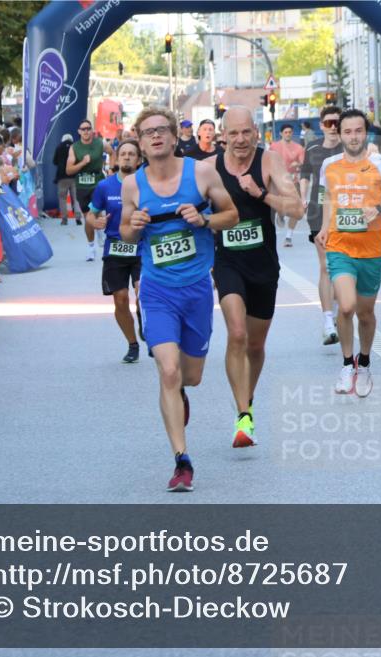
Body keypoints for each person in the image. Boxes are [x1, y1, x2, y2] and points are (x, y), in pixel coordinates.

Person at [118, 107, 239, 492]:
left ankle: (181, 391)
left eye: (161, 131)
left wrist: (204, 221)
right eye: (147, 132)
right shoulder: (132, 185)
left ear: (174, 137)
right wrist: (133, 227)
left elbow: (232, 215)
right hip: (156, 290)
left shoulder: (201, 173)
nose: (155, 137)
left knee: (191, 376)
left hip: (198, 289)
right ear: (139, 141)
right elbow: (124, 233)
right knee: (167, 371)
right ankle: (182, 461)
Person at [208, 108, 302, 448]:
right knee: (236, 332)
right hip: (227, 262)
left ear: (256, 133)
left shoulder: (269, 162)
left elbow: (296, 208)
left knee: (255, 344)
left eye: (246, 132)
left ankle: (248, 399)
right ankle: (243, 414)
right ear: (223, 135)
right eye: (233, 133)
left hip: (263, 265)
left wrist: (261, 194)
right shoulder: (210, 168)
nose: (240, 140)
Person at [316, 108, 381, 396]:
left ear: (366, 133)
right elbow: (327, 196)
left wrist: (378, 208)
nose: (353, 137)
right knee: (347, 305)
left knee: (365, 313)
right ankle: (346, 364)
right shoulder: (329, 164)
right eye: (347, 131)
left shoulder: (380, 163)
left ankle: (364, 362)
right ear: (339, 134)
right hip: (340, 246)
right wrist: (325, 226)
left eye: (358, 131)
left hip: (372, 249)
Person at [88, 139, 145, 364]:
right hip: (116, 248)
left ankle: (144, 317)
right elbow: (91, 214)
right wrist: (95, 223)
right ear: (116, 158)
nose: (127, 157)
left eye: (132, 154)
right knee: (120, 299)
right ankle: (132, 344)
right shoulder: (105, 186)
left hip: (142, 247)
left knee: (143, 294)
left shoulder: (147, 183)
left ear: (139, 159)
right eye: (123, 154)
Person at [299, 105, 344, 345]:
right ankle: (328, 321)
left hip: (346, 212)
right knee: (326, 265)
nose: (333, 127)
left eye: (337, 121)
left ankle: (336, 309)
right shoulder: (313, 147)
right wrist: (303, 197)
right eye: (328, 122)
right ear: (321, 125)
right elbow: (305, 174)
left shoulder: (349, 147)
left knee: (341, 266)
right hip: (318, 211)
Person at [67, 119, 114, 260]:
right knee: (88, 219)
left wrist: (111, 169)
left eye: (88, 128)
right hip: (82, 186)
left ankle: (101, 235)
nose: (86, 131)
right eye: (83, 129)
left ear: (92, 130)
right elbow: (69, 170)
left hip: (98, 184)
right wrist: (82, 163)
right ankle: (91, 246)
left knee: (97, 212)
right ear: (79, 131)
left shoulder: (100, 143)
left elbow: (113, 153)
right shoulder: (74, 148)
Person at [268, 123, 305, 247]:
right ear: (281, 134)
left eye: (290, 132)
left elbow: (303, 163)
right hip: (277, 182)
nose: (288, 134)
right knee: (278, 206)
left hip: (293, 182)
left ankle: (289, 236)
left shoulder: (299, 148)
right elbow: (267, 161)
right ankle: (281, 212)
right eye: (285, 132)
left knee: (296, 209)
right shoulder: (274, 146)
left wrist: (298, 165)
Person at [53, 133, 81, 225]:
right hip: (74, 176)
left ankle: (64, 219)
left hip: (62, 177)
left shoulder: (59, 147)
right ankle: (78, 217)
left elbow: (55, 161)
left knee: (62, 198)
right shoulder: (75, 147)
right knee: (76, 198)